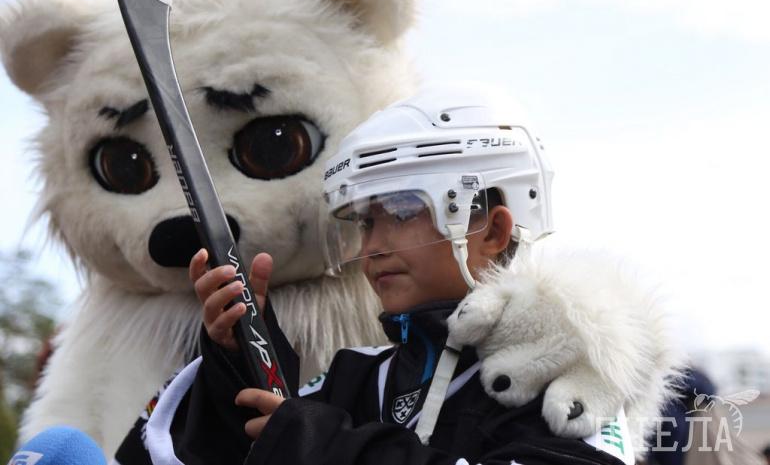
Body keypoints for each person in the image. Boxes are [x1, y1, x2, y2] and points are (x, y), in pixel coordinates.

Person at [113, 87, 635, 465]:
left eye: (403, 210)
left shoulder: (570, 380)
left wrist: (334, 451)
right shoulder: (354, 376)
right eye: (364, 221)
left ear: (493, 231)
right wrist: (241, 358)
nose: (373, 246)